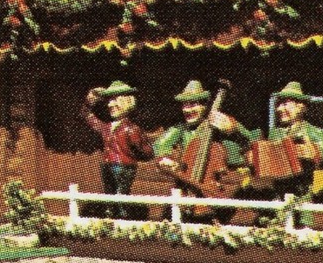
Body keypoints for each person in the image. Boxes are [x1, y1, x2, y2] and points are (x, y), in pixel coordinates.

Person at [154, 80, 258, 196]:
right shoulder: (181, 129)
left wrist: (233, 128)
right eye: (184, 104)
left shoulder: (218, 123)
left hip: (220, 183)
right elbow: (160, 144)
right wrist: (165, 158)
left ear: (204, 105)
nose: (187, 109)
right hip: (189, 178)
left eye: (193, 104)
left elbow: (250, 139)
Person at [261, 80, 323, 226]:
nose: (279, 109)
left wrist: (315, 153)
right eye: (279, 104)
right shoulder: (275, 134)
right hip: (278, 201)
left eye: (285, 104)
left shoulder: (314, 133)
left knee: (302, 239)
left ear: (300, 106)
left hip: (302, 200)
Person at [81, 81, 152, 219]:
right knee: (109, 199)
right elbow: (87, 117)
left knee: (121, 199)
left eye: (115, 100)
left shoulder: (131, 129)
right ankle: (109, 222)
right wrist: (89, 102)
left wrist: (135, 155)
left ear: (127, 102)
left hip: (123, 167)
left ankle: (122, 223)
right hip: (107, 165)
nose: (110, 104)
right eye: (109, 100)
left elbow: (146, 152)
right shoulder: (106, 127)